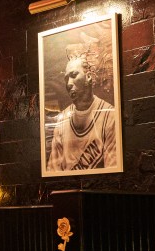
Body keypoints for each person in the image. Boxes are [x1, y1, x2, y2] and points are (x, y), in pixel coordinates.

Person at [47, 41, 118, 172]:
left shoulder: (110, 115)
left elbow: (113, 172)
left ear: (89, 77)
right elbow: (53, 171)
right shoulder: (61, 121)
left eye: (74, 75)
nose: (68, 83)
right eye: (66, 78)